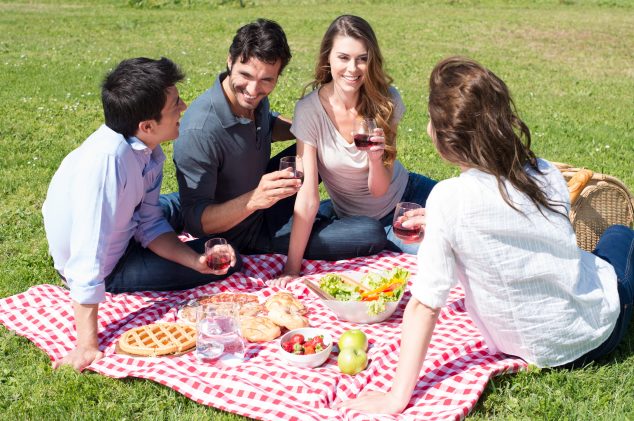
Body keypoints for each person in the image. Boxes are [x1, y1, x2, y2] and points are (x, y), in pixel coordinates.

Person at [337, 56, 634, 415]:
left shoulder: (449, 199)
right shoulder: (542, 171)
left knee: (616, 240)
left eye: (431, 119)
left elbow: (425, 304)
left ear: (446, 139)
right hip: (587, 334)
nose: (428, 125)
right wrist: (441, 225)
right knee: (617, 236)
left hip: (523, 341)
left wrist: (396, 397)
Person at [42, 57, 241, 372]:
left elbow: (148, 221)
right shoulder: (106, 166)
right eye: (175, 104)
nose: (185, 106)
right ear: (147, 125)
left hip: (128, 226)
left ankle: (203, 239)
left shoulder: (147, 148)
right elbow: (87, 257)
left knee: (192, 207)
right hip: (112, 263)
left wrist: (195, 261)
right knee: (231, 263)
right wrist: (87, 346)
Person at [173, 18, 386, 277]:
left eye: (266, 79)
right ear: (230, 60)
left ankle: (310, 215)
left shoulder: (253, 102)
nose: (253, 89)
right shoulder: (200, 131)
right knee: (369, 232)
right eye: (246, 75)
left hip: (266, 198)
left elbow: (269, 125)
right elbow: (196, 223)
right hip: (245, 233)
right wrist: (254, 200)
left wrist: (317, 125)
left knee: (314, 151)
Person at [276, 15, 437, 286]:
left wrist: (375, 159)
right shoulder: (309, 111)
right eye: (343, 58)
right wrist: (292, 268)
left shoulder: (386, 101)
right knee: (440, 251)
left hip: (408, 197)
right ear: (328, 58)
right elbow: (307, 197)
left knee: (469, 220)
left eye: (362, 58)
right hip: (375, 225)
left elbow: (379, 188)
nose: (353, 68)